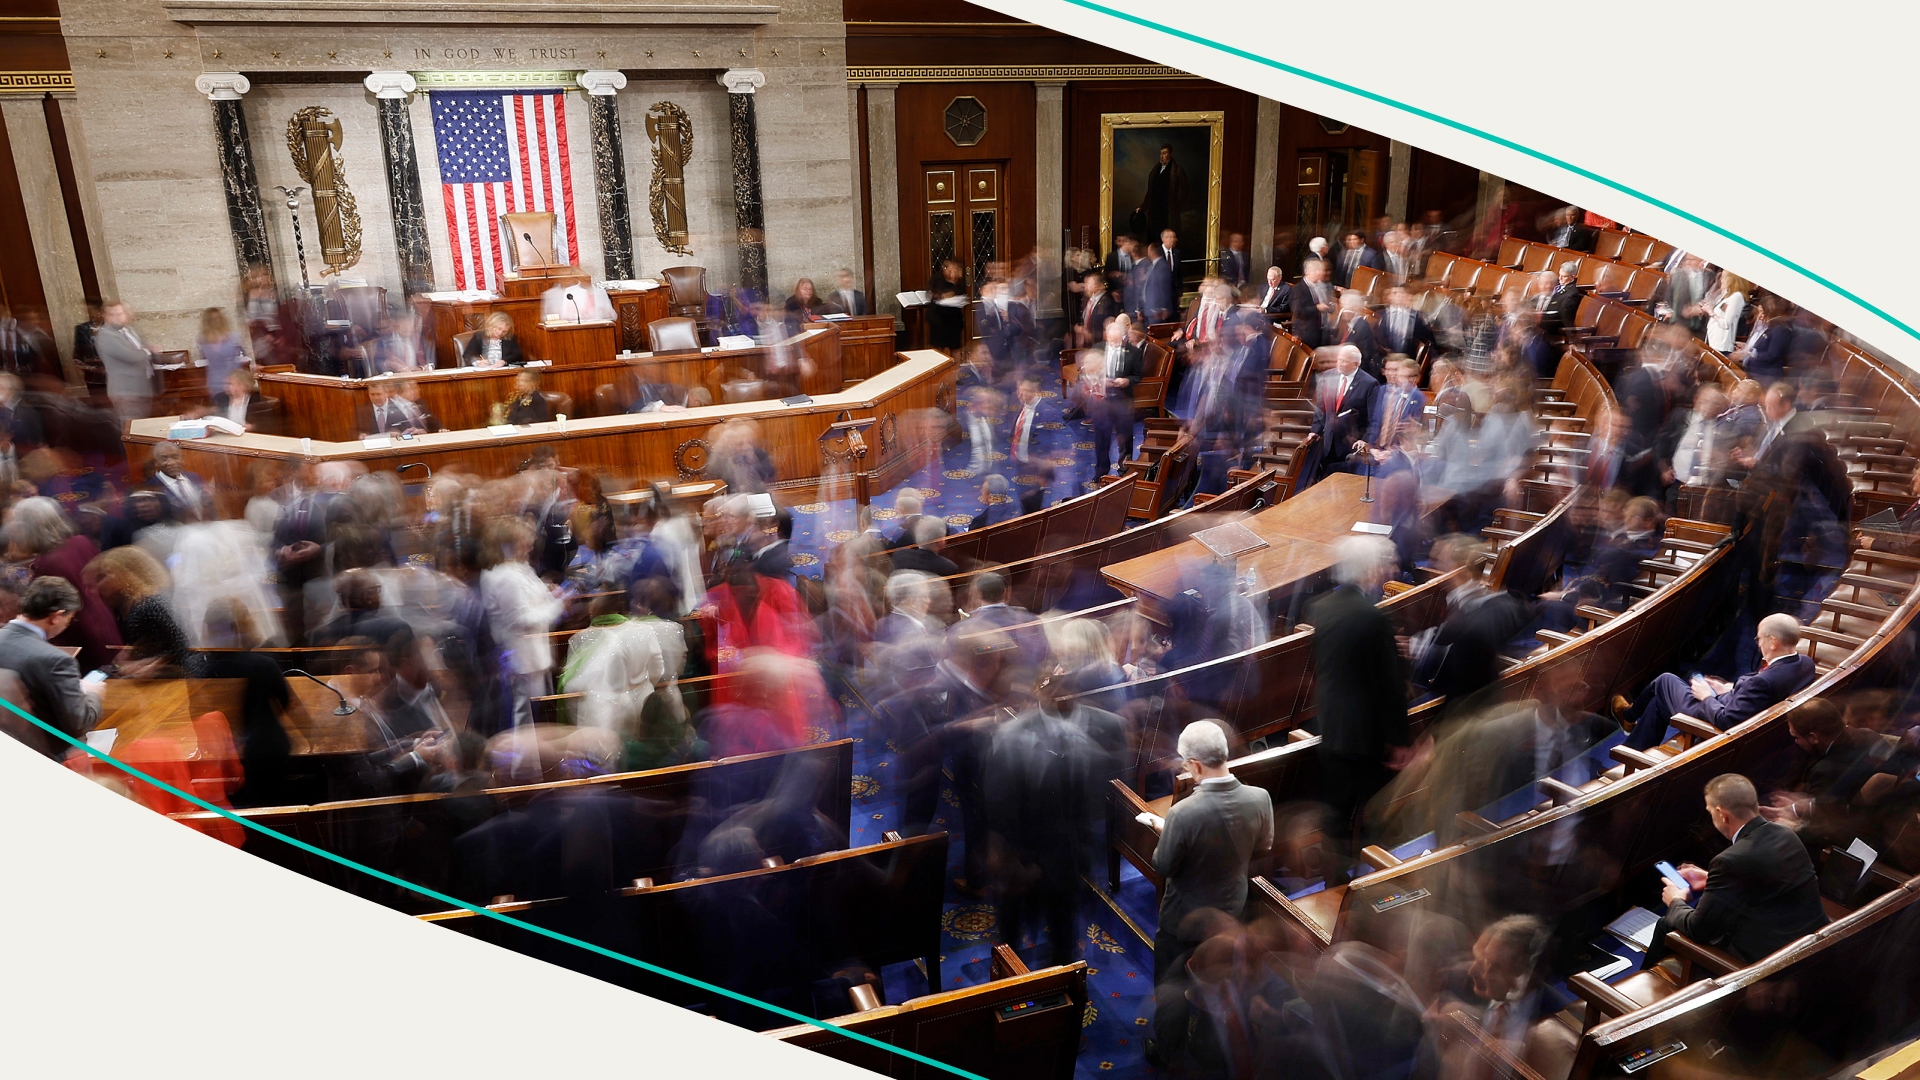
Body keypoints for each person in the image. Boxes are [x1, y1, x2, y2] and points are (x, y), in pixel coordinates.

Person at [1308, 537, 1410, 874]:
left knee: (1335, 819)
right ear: (1369, 568)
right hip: (1365, 737)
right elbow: (1388, 688)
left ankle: (1333, 885)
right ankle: (1369, 882)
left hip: (1331, 725)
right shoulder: (1373, 618)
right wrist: (1400, 741)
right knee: (1375, 815)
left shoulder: (1322, 608)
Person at [1653, 773, 1827, 965]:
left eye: (1711, 813)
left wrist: (1676, 899)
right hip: (1811, 946)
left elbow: (1697, 930)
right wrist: (1711, 877)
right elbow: (1769, 880)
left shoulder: (1729, 860)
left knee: (1666, 923)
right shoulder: (1785, 833)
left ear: (1722, 814)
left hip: (1772, 964)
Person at [1150, 720, 1274, 981]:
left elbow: (1163, 866)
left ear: (1195, 764)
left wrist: (1167, 831)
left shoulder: (1182, 813)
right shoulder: (1260, 797)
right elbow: (1263, 847)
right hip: (1233, 911)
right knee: (1218, 985)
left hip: (1185, 919)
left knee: (1172, 993)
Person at [1622, 614, 1819, 750]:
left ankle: (1629, 715)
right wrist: (1729, 687)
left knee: (1665, 681)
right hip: (1733, 704)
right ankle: (1633, 749)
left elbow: (1727, 721)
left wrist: (1707, 696)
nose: (1758, 644)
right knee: (1660, 703)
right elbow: (1758, 693)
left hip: (1712, 719)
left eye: (1759, 639)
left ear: (1773, 642)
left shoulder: (1763, 683)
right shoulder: (1806, 663)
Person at [0, 576, 104, 756]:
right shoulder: (57, 660)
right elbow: (78, 723)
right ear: (56, 616)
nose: (67, 625)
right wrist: (94, 695)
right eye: (69, 619)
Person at [84, 545, 197, 677]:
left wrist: (136, 665)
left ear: (126, 574)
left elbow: (176, 653)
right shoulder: (138, 604)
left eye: (101, 578)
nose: (90, 590)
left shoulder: (146, 609)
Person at [1310, 344, 1377, 480]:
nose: (1339, 363)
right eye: (1339, 359)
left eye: (1344, 361)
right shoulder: (1328, 376)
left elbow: (1374, 418)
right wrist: (1315, 430)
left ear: (1356, 364)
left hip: (1350, 445)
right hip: (1328, 443)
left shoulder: (1369, 384)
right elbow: (1321, 408)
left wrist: (1365, 440)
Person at [1088, 320, 1143, 476]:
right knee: (1101, 438)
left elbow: (1138, 376)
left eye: (1115, 340)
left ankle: (1125, 470)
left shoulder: (1134, 352)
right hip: (1102, 401)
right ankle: (1101, 472)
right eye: (1110, 340)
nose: (1112, 343)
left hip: (1123, 400)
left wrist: (1127, 381)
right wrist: (1100, 380)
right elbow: (1087, 372)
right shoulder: (1097, 348)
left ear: (1122, 337)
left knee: (1125, 436)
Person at [96, 300, 154, 424]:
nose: (117, 317)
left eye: (120, 313)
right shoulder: (106, 335)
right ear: (105, 317)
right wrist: (148, 351)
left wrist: (146, 350)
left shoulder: (128, 330)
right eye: (113, 314)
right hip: (126, 391)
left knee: (143, 426)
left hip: (141, 388)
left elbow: (141, 347)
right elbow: (131, 356)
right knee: (132, 429)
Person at [1138, 143, 1188, 241]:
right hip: (1154, 211)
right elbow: (1150, 192)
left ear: (1170, 154)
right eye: (1161, 153)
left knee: (1167, 239)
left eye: (1165, 153)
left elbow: (1186, 190)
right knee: (1154, 238)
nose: (1162, 156)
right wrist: (1143, 207)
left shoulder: (1177, 171)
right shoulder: (1155, 171)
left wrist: (1177, 205)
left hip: (1168, 212)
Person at [196, 306, 250, 397]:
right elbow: (209, 357)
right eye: (212, 319)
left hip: (236, 380)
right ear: (208, 322)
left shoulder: (233, 336)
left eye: (218, 318)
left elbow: (241, 354)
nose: (216, 321)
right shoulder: (203, 339)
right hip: (216, 381)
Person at [207, 370, 277, 434]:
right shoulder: (220, 398)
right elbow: (213, 418)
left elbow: (268, 424)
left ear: (242, 385)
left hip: (251, 437)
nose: (225, 386)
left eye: (229, 384)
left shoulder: (258, 400)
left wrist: (253, 427)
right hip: (224, 436)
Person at [355, 380, 427, 438]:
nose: (375, 398)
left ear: (386, 393)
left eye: (378, 394)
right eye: (372, 394)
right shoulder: (362, 410)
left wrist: (398, 434)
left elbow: (409, 430)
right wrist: (359, 435)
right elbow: (353, 431)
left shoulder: (398, 407)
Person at [925, 259, 967, 353]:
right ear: (944, 269)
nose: (952, 272)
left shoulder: (959, 282)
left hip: (954, 320)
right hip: (938, 318)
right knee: (938, 347)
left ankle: (956, 366)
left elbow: (962, 294)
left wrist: (955, 282)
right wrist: (943, 296)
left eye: (955, 269)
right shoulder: (937, 279)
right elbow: (932, 293)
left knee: (955, 347)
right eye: (950, 269)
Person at [1292, 258, 1335, 348]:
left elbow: (1327, 303)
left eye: (1320, 270)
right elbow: (1298, 311)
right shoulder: (1298, 289)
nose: (1319, 273)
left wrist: (1330, 306)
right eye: (1316, 270)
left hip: (1324, 330)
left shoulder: (1322, 286)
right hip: (1307, 332)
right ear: (1307, 272)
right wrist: (1317, 308)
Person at [1706, 271, 1750, 354]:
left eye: (1724, 277)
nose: (1721, 280)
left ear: (1732, 279)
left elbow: (1726, 324)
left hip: (1721, 344)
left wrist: (1711, 313)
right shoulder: (1727, 295)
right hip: (1713, 340)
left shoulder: (1736, 297)